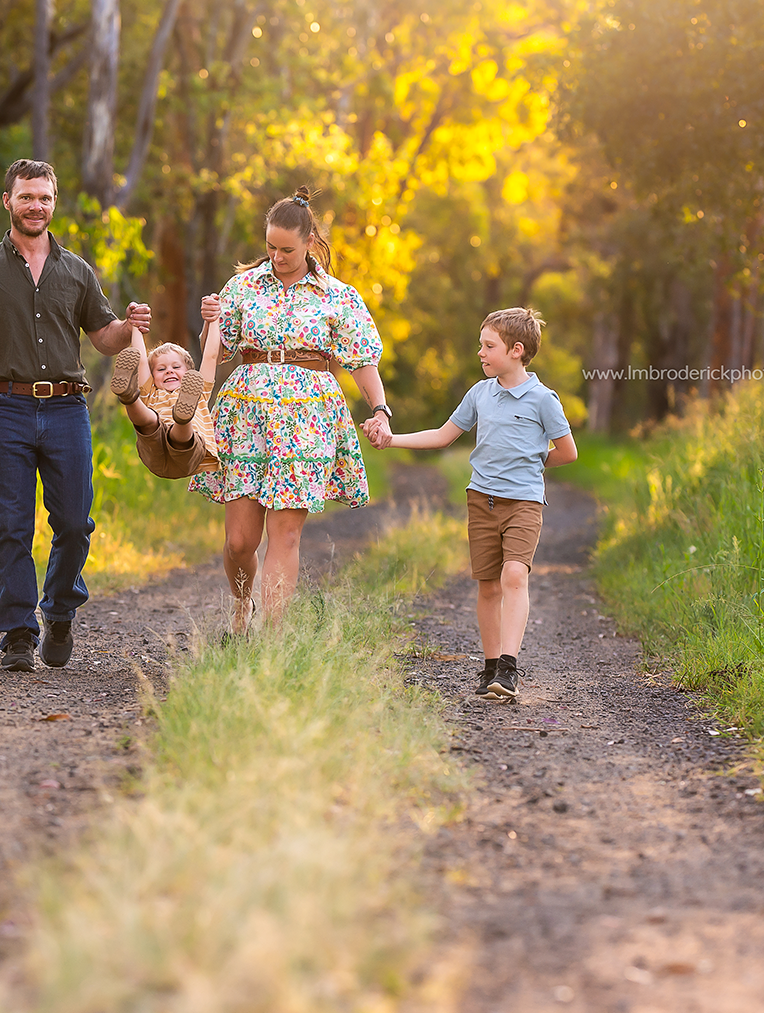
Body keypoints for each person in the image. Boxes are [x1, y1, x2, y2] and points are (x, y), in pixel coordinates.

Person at [0, 158, 152, 673]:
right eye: (27, 196)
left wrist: (128, 326)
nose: (36, 206)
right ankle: (17, 632)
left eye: (45, 198)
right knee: (10, 524)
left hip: (65, 408)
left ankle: (59, 611)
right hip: (4, 406)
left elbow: (103, 338)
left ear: (53, 204)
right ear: (7, 201)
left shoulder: (76, 270)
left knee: (75, 522)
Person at [193, 186, 392, 631]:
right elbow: (215, 353)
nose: (277, 256)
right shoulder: (241, 287)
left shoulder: (337, 296)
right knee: (240, 541)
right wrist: (209, 322)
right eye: (270, 246)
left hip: (308, 419)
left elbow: (362, 360)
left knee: (285, 534)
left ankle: (271, 644)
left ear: (309, 243)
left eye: (287, 249)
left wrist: (380, 409)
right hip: (244, 416)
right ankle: (242, 605)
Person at [373, 307, 577, 701]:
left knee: (514, 575)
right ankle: (489, 672)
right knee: (487, 586)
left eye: (488, 346)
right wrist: (391, 438)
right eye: (480, 345)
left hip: (524, 503)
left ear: (516, 350)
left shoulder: (542, 399)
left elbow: (567, 452)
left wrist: (530, 465)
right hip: (481, 500)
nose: (480, 353)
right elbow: (442, 435)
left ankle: (509, 667)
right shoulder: (479, 393)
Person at [109, 296, 223, 481]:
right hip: (155, 452)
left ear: (190, 372)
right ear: (153, 377)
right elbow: (139, 359)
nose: (169, 371)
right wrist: (136, 325)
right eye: (161, 369)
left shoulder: (198, 391)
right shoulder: (152, 391)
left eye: (176, 367)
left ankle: (181, 418)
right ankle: (129, 396)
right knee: (150, 422)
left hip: (188, 454)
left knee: (179, 437)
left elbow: (211, 356)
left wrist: (214, 319)